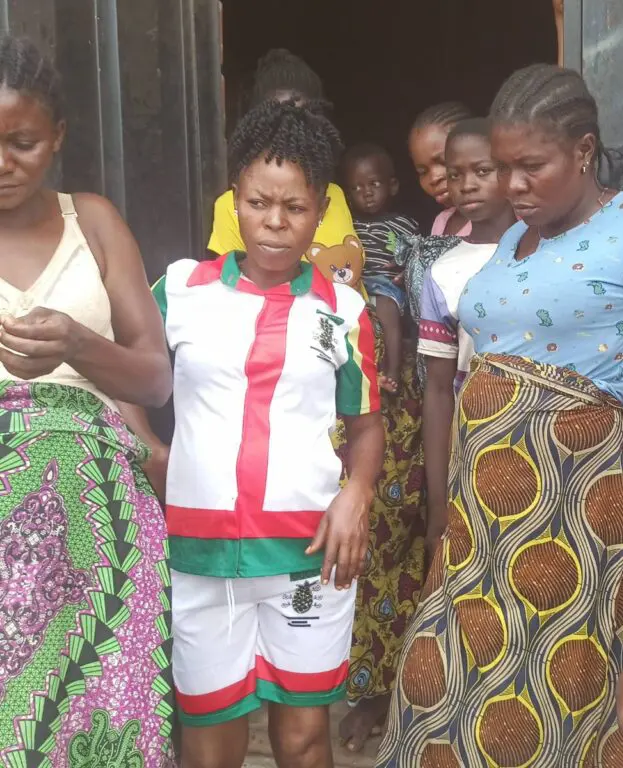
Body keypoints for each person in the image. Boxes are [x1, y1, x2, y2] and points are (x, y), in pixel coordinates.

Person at [377, 64, 623, 767]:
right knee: (436, 682)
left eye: (531, 166)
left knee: (554, 699)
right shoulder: (513, 240)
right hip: (484, 516)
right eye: (502, 169)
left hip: (578, 506)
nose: (512, 187)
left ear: (584, 151)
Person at [156, 99, 385, 768]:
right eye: (259, 204)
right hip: (200, 554)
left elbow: (366, 425)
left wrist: (357, 494)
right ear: (235, 201)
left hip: (308, 550)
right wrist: (152, 448)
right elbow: (130, 370)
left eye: (296, 208)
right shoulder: (181, 289)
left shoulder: (343, 310)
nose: (276, 224)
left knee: (304, 739)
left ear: (320, 212)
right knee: (209, 740)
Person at [0, 36, 175, 766]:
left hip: (101, 514)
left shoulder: (93, 222)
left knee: (109, 717)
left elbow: (155, 378)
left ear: (59, 137)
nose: (3, 162)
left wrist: (76, 344)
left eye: (23, 142)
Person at [417, 118, 517, 565]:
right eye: (455, 175)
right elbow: (438, 390)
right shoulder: (443, 271)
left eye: (482, 170)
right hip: (472, 452)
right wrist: (438, 503)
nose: (466, 185)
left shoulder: (554, 252)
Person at [207, 49, 359, 270]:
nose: (290, 130)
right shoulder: (228, 207)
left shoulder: (334, 195)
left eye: (296, 207)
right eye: (258, 204)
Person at [341, 143, 418, 392]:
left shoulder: (404, 223)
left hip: (387, 285)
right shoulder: (348, 224)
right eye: (357, 187)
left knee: (386, 310)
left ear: (392, 186)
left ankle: (391, 371)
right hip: (357, 282)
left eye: (374, 184)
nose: (367, 193)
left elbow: (417, 258)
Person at [408, 101, 474, 237]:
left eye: (443, 161)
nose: (433, 178)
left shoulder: (512, 219)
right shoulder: (441, 222)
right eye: (423, 172)